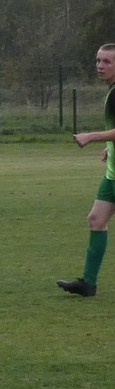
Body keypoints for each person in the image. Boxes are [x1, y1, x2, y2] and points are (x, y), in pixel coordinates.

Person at [58, 43, 115, 297]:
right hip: (112, 174)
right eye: (98, 61)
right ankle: (87, 284)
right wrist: (109, 148)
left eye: (107, 62)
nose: (100, 66)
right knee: (96, 220)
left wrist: (92, 136)